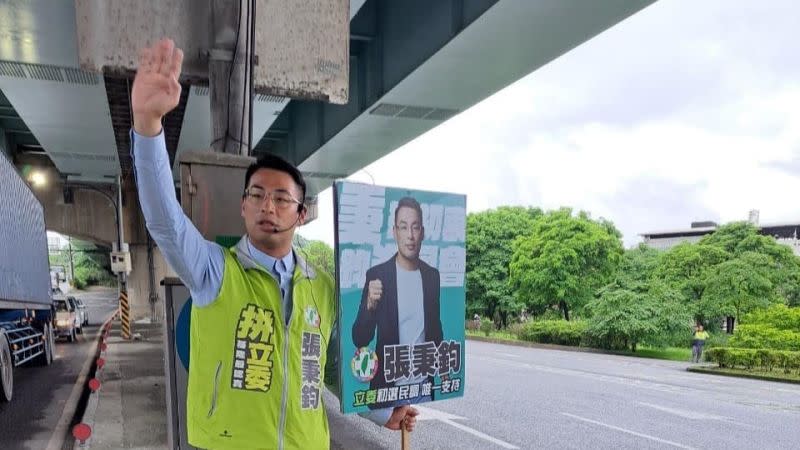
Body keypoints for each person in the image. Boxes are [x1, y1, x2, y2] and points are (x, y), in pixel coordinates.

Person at [130, 38, 417, 450]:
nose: (269, 205)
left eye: (282, 198)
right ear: (243, 207)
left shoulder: (322, 287)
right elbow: (165, 222)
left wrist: (383, 411)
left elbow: (335, 367)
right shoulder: (214, 270)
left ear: (300, 214)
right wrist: (147, 126)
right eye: (257, 195)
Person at [352, 197, 444, 413]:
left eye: (415, 227)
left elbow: (435, 328)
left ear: (422, 232)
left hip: (422, 385)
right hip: (388, 387)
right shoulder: (377, 276)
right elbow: (359, 339)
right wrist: (369, 306)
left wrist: (444, 366)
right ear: (395, 232)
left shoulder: (432, 276)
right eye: (403, 227)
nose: (410, 235)